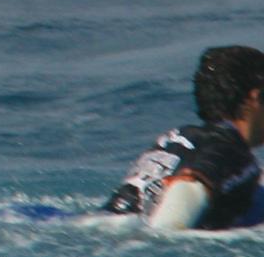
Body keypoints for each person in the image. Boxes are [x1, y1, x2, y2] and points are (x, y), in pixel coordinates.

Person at [105, 44, 264, 232]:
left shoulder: (177, 139)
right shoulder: (233, 151)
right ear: (256, 98)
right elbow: (187, 186)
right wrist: (162, 237)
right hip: (148, 236)